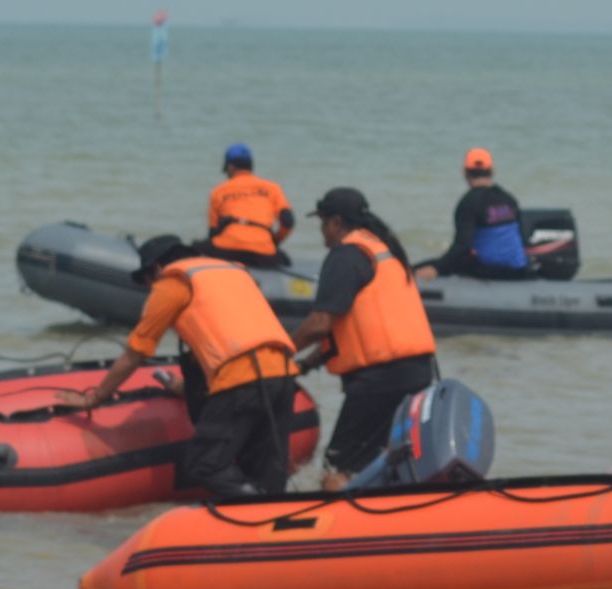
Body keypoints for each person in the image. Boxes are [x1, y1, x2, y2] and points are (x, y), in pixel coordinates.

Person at [59, 235, 298, 497]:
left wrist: (95, 397)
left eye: (148, 281)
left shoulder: (173, 283)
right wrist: (186, 386)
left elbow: (135, 354)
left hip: (242, 381)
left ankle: (253, 508)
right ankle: (270, 516)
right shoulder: (233, 274)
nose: (150, 288)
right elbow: (234, 336)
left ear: (157, 269)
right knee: (265, 469)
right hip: (284, 375)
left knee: (205, 464)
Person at [292, 188, 437, 491]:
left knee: (337, 466)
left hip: (379, 381)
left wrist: (278, 351)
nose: (322, 233)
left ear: (335, 222)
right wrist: (307, 364)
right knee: (385, 460)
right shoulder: (385, 251)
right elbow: (363, 328)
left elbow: (319, 324)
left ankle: (335, 531)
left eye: (322, 223)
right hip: (418, 374)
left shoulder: (346, 255)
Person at [416, 148, 530, 281]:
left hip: (491, 271)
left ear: (465, 173)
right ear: (492, 172)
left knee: (419, 268)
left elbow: (463, 246)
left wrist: (437, 268)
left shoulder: (468, 203)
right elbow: (521, 236)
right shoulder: (508, 199)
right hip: (519, 269)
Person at [192, 143, 295, 267]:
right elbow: (288, 221)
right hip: (264, 253)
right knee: (285, 261)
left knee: (195, 247)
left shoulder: (218, 191)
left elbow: (213, 233)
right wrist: (274, 242)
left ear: (230, 167)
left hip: (227, 250)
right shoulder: (272, 188)